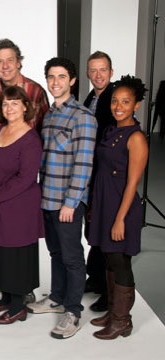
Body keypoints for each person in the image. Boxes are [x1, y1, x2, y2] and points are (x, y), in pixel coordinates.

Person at [27, 58, 97, 339]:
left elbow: (84, 164)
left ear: (73, 80)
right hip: (47, 197)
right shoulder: (50, 115)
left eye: (61, 76)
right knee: (55, 253)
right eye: (51, 77)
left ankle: (73, 312)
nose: (55, 82)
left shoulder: (83, 116)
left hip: (66, 202)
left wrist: (71, 202)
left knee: (72, 257)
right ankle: (56, 298)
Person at [0, 38, 49, 301]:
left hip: (20, 174)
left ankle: (21, 289)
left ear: (18, 61)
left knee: (19, 237)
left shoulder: (36, 91)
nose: (5, 65)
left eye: (10, 60)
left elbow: (44, 130)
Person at [88, 75, 148, 340]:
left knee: (120, 262)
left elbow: (132, 183)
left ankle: (122, 321)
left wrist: (120, 219)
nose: (118, 106)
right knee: (109, 259)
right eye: (115, 101)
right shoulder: (112, 129)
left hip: (121, 207)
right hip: (104, 202)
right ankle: (114, 312)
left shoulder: (136, 138)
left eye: (126, 101)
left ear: (136, 105)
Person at [0, 86, 43, 325]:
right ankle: (5, 299)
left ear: (25, 106)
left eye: (15, 103)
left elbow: (25, 178)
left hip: (19, 208)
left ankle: (17, 307)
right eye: (5, 104)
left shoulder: (31, 139)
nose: (10, 108)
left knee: (15, 257)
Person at [83, 51, 116, 312]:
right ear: (87, 74)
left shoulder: (114, 99)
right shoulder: (91, 97)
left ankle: (107, 291)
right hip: (92, 175)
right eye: (93, 70)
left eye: (102, 70)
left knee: (104, 235)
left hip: (107, 176)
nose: (98, 75)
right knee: (92, 231)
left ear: (111, 72)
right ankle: (94, 279)